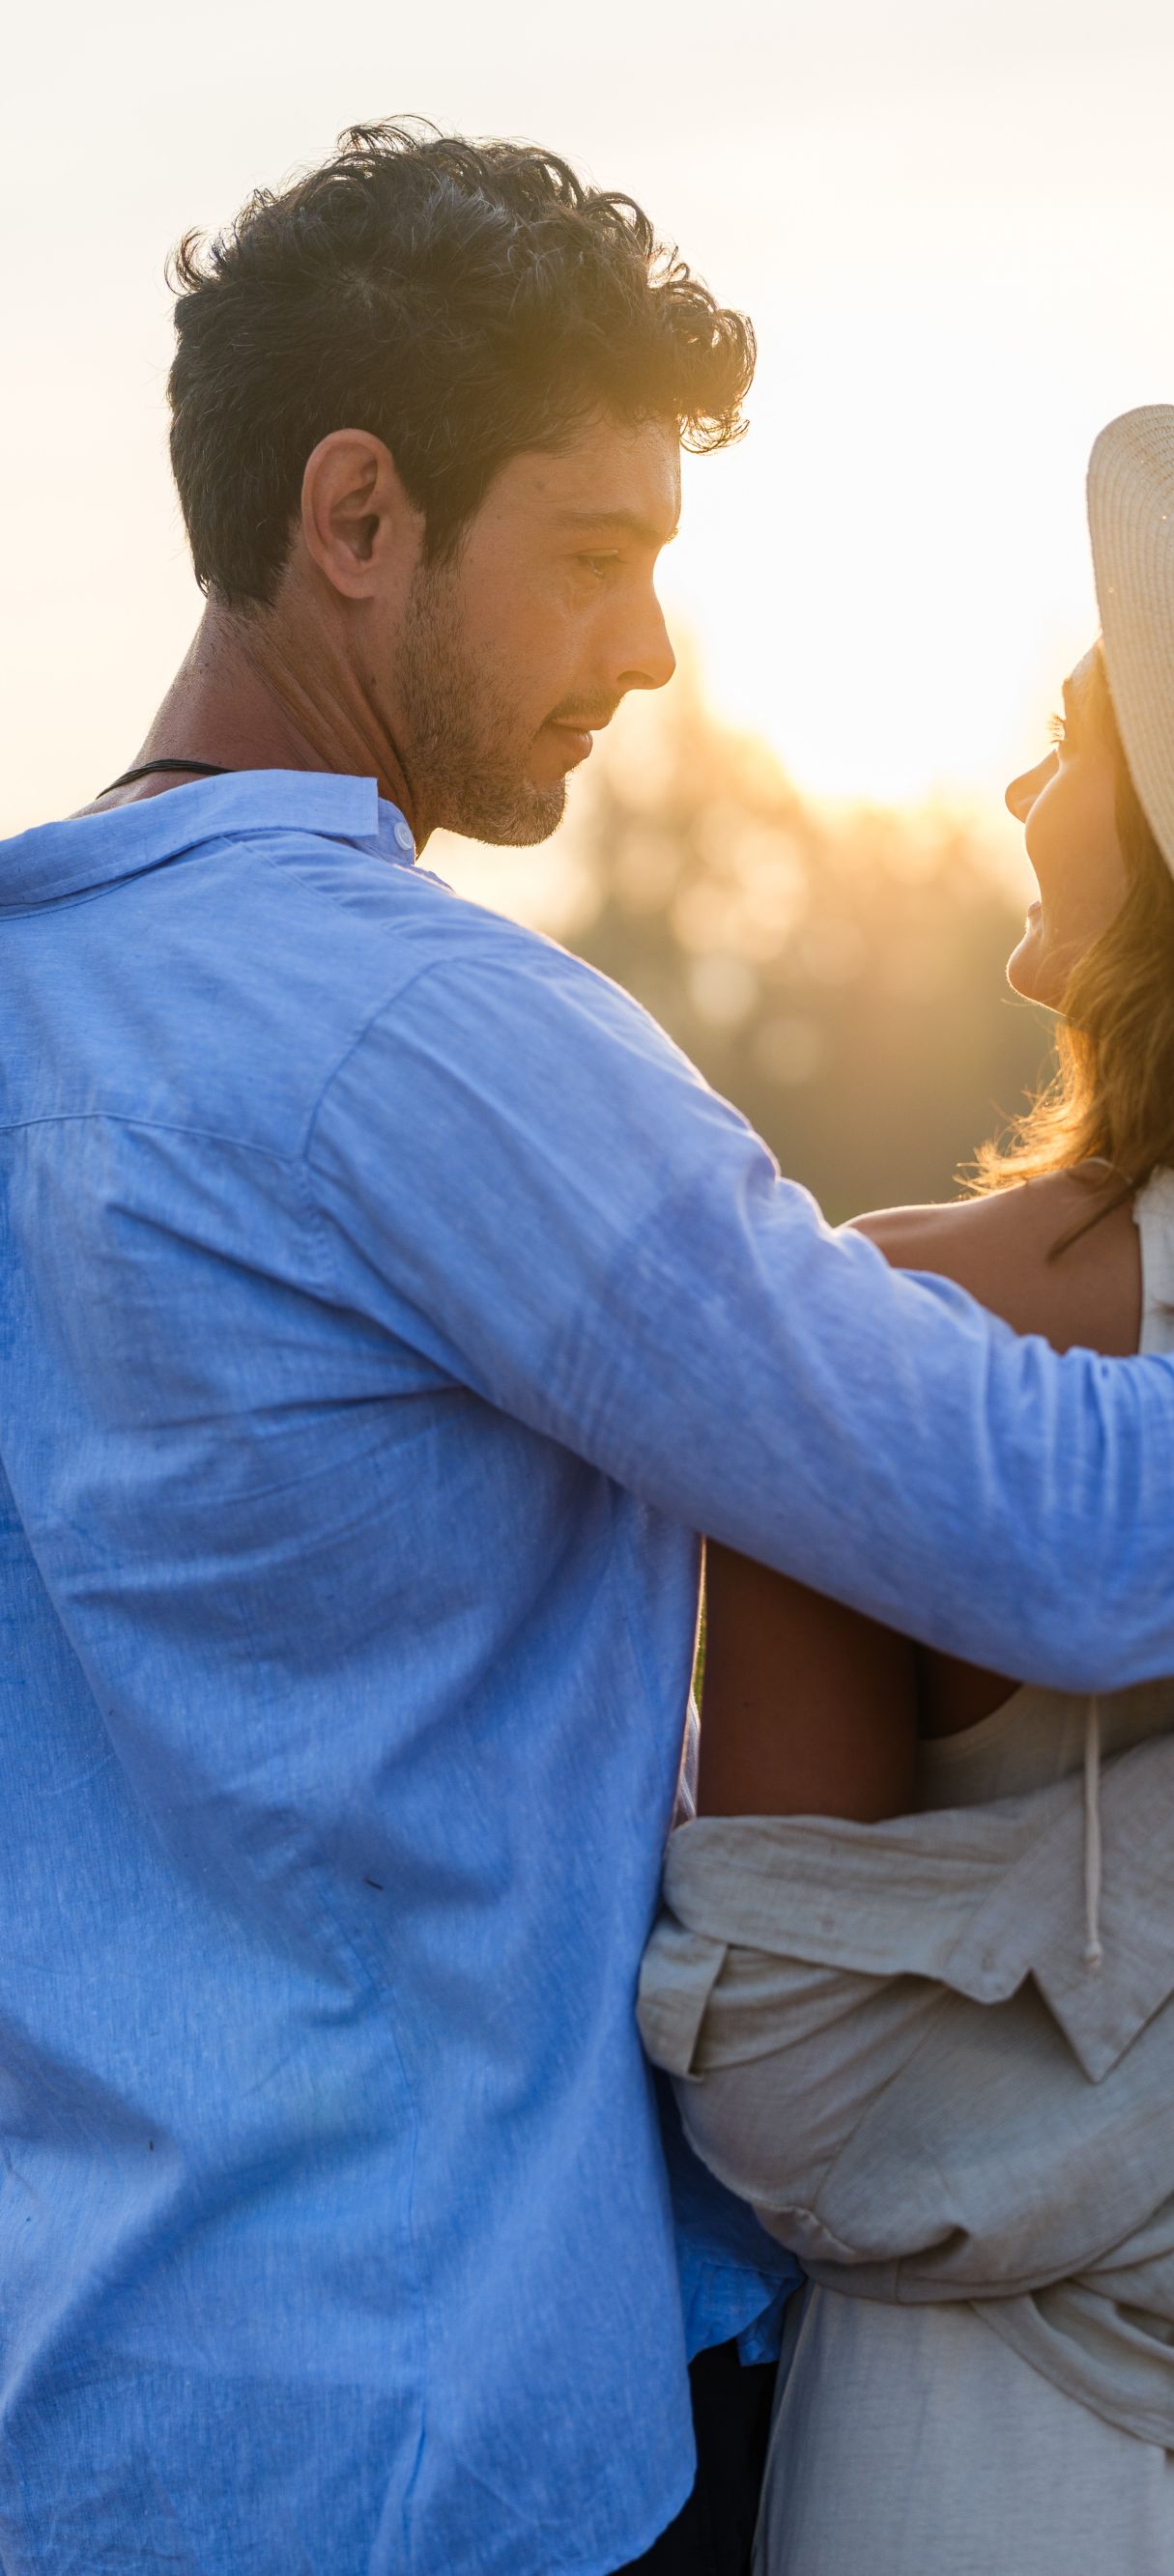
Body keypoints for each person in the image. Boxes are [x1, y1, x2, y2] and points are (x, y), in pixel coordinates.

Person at [4, 123, 1174, 2576]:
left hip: (80, 2420)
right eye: (596, 553)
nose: (646, 647)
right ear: (356, 516)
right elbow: (1052, 1528)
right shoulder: (416, 1035)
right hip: (420, 2456)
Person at [639, 405, 1174, 2572]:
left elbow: (779, 2086)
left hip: (986, 2464)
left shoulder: (905, 1321)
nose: (1014, 791)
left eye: (1065, 739)